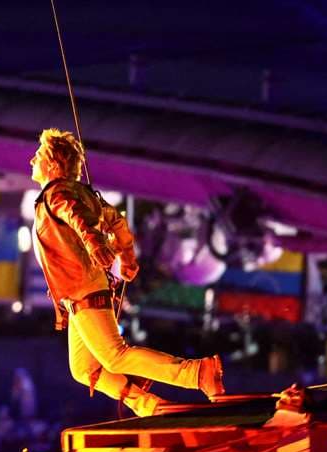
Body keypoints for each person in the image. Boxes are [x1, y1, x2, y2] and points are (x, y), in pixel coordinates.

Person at [30, 128, 225, 417]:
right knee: (83, 369)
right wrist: (127, 256)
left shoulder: (56, 194)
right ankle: (149, 405)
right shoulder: (82, 193)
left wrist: (97, 245)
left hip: (84, 289)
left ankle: (197, 373)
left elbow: (77, 218)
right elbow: (116, 222)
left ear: (53, 163)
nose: (32, 160)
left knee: (114, 356)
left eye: (38, 155)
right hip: (79, 293)